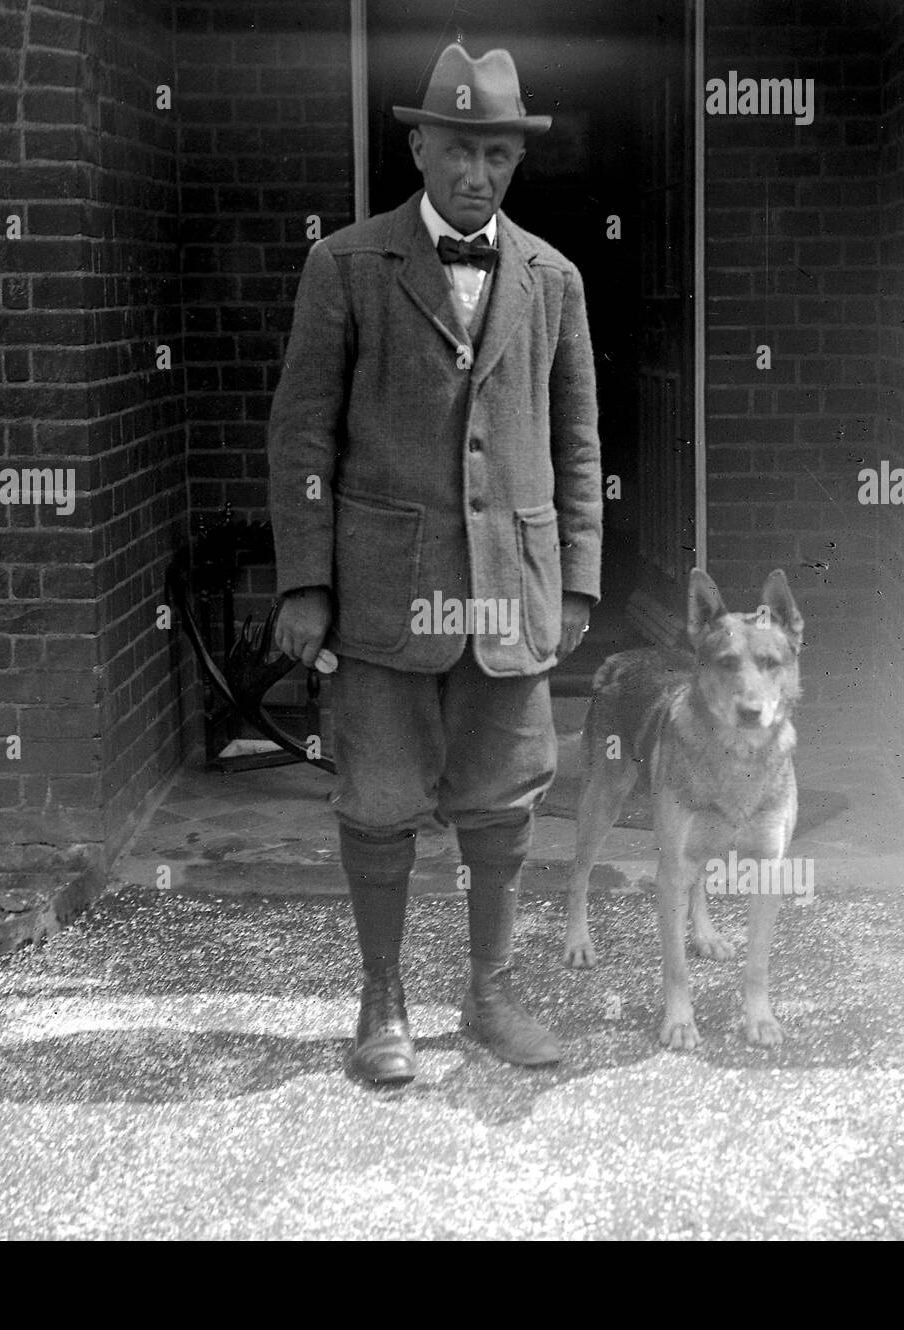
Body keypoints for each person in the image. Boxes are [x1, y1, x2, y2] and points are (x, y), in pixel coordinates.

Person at [268, 43, 602, 1084]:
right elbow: (301, 435)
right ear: (418, 145)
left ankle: (490, 993)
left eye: (496, 153)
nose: (476, 173)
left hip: (513, 589)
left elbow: (579, 437)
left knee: (504, 795)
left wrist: (579, 578)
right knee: (377, 796)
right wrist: (307, 583)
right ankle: (382, 999)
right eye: (457, 149)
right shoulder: (348, 267)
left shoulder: (553, 277)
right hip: (382, 591)